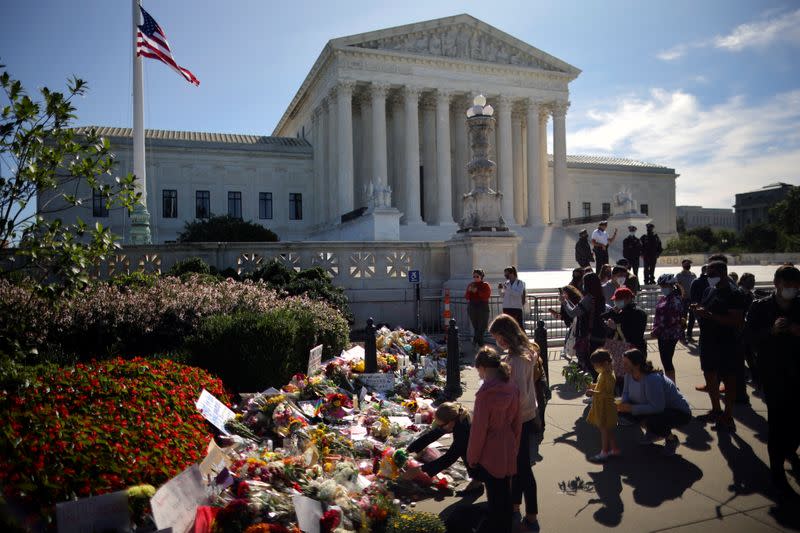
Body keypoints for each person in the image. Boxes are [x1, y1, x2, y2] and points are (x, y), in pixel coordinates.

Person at [745, 265, 800, 499]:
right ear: (777, 284)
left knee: (796, 421)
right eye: (788, 286)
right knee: (777, 423)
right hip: (773, 374)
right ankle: (776, 470)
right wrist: (771, 331)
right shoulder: (760, 307)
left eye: (796, 287)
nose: (791, 290)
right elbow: (747, 338)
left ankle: (790, 449)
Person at [489, 315, 541, 531]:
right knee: (519, 468)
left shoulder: (517, 359)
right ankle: (517, 505)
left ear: (506, 334)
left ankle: (531, 513)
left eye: (498, 337)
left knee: (522, 469)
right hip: (526, 414)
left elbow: (516, 393)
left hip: (518, 418)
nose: (497, 342)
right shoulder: (523, 352)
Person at [468, 347, 522, 533]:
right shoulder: (512, 387)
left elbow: (478, 431)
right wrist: (514, 445)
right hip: (507, 444)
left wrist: (472, 457)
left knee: (495, 496)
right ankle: (506, 527)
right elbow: (517, 421)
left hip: (490, 450)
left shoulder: (485, 395)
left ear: (482, 368)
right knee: (505, 494)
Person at [692, 260, 746, 431]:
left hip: (726, 343)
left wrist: (708, 315)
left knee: (729, 379)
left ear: (723, 273)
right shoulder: (709, 290)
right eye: (707, 273)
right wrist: (698, 310)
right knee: (709, 375)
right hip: (708, 341)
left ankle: (728, 416)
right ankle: (716, 410)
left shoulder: (734, 293)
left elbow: (736, 320)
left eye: (711, 274)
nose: (708, 277)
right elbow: (706, 310)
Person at [617, 349, 691, 456]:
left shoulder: (651, 379)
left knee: (654, 420)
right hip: (654, 408)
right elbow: (626, 394)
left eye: (626, 363)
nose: (622, 365)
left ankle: (671, 439)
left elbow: (658, 408)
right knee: (623, 413)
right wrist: (621, 405)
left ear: (637, 364)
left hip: (678, 413)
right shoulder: (629, 375)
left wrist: (631, 408)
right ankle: (654, 433)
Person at [402, 402, 483, 492]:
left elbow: (450, 457)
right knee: (464, 450)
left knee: (465, 451)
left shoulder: (463, 429)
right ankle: (477, 480)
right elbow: (431, 435)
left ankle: (478, 482)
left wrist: (420, 469)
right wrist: (408, 450)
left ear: (451, 422)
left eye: (440, 425)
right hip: (480, 443)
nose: (439, 427)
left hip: (491, 450)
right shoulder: (456, 414)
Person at [561, 272, 608, 379]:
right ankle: (601, 385)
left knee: (590, 362)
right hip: (600, 332)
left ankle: (597, 386)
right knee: (599, 361)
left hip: (589, 334)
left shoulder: (589, 298)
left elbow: (573, 313)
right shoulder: (600, 297)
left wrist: (564, 302)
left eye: (584, 282)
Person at [585, 349, 620, 462]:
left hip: (606, 406)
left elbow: (607, 393)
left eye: (596, 365)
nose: (595, 368)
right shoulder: (603, 373)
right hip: (602, 405)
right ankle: (614, 449)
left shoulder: (609, 376)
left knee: (604, 429)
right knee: (608, 429)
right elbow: (601, 386)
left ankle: (604, 451)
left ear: (605, 363)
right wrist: (592, 385)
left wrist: (592, 392)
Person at [652, 274, 684, 385]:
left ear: (671, 285)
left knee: (667, 361)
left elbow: (670, 320)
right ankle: (670, 384)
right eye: (661, 286)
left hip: (669, 335)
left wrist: (657, 331)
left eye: (664, 285)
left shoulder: (675, 300)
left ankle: (672, 386)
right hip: (662, 334)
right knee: (666, 360)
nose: (662, 288)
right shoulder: (665, 298)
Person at [603, 287, 648, 355]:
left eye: (619, 299)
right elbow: (602, 317)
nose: (616, 302)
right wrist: (612, 312)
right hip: (621, 350)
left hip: (635, 350)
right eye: (615, 300)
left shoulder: (638, 313)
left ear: (628, 299)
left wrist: (616, 327)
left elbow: (634, 334)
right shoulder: (619, 312)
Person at [737, 273, 759, 392]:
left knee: (750, 356)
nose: (753, 282)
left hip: (748, 331)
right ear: (743, 281)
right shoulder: (739, 294)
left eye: (754, 280)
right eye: (750, 280)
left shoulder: (750, 294)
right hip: (741, 331)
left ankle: (755, 378)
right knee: (744, 356)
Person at [466, 269, 492, 348]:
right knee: (476, 326)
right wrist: (469, 291)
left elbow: (486, 295)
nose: (475, 278)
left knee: (482, 326)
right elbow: (467, 297)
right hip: (472, 307)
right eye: (474, 276)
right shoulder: (471, 284)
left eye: (477, 276)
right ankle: (481, 345)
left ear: (481, 276)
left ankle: (475, 341)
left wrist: (477, 291)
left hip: (483, 306)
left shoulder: (485, 285)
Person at [675, 259, 697, 342]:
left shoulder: (693, 275)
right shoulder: (678, 275)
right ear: (683, 264)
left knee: (692, 318)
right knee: (683, 318)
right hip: (683, 300)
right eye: (687, 263)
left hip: (692, 299)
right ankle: (682, 336)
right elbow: (676, 286)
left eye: (689, 263)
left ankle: (689, 335)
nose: (688, 265)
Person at [687, 264, 708, 343]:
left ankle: (690, 336)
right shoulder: (698, 281)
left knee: (694, 322)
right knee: (699, 323)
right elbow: (692, 294)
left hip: (696, 305)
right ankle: (690, 336)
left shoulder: (695, 281)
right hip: (699, 306)